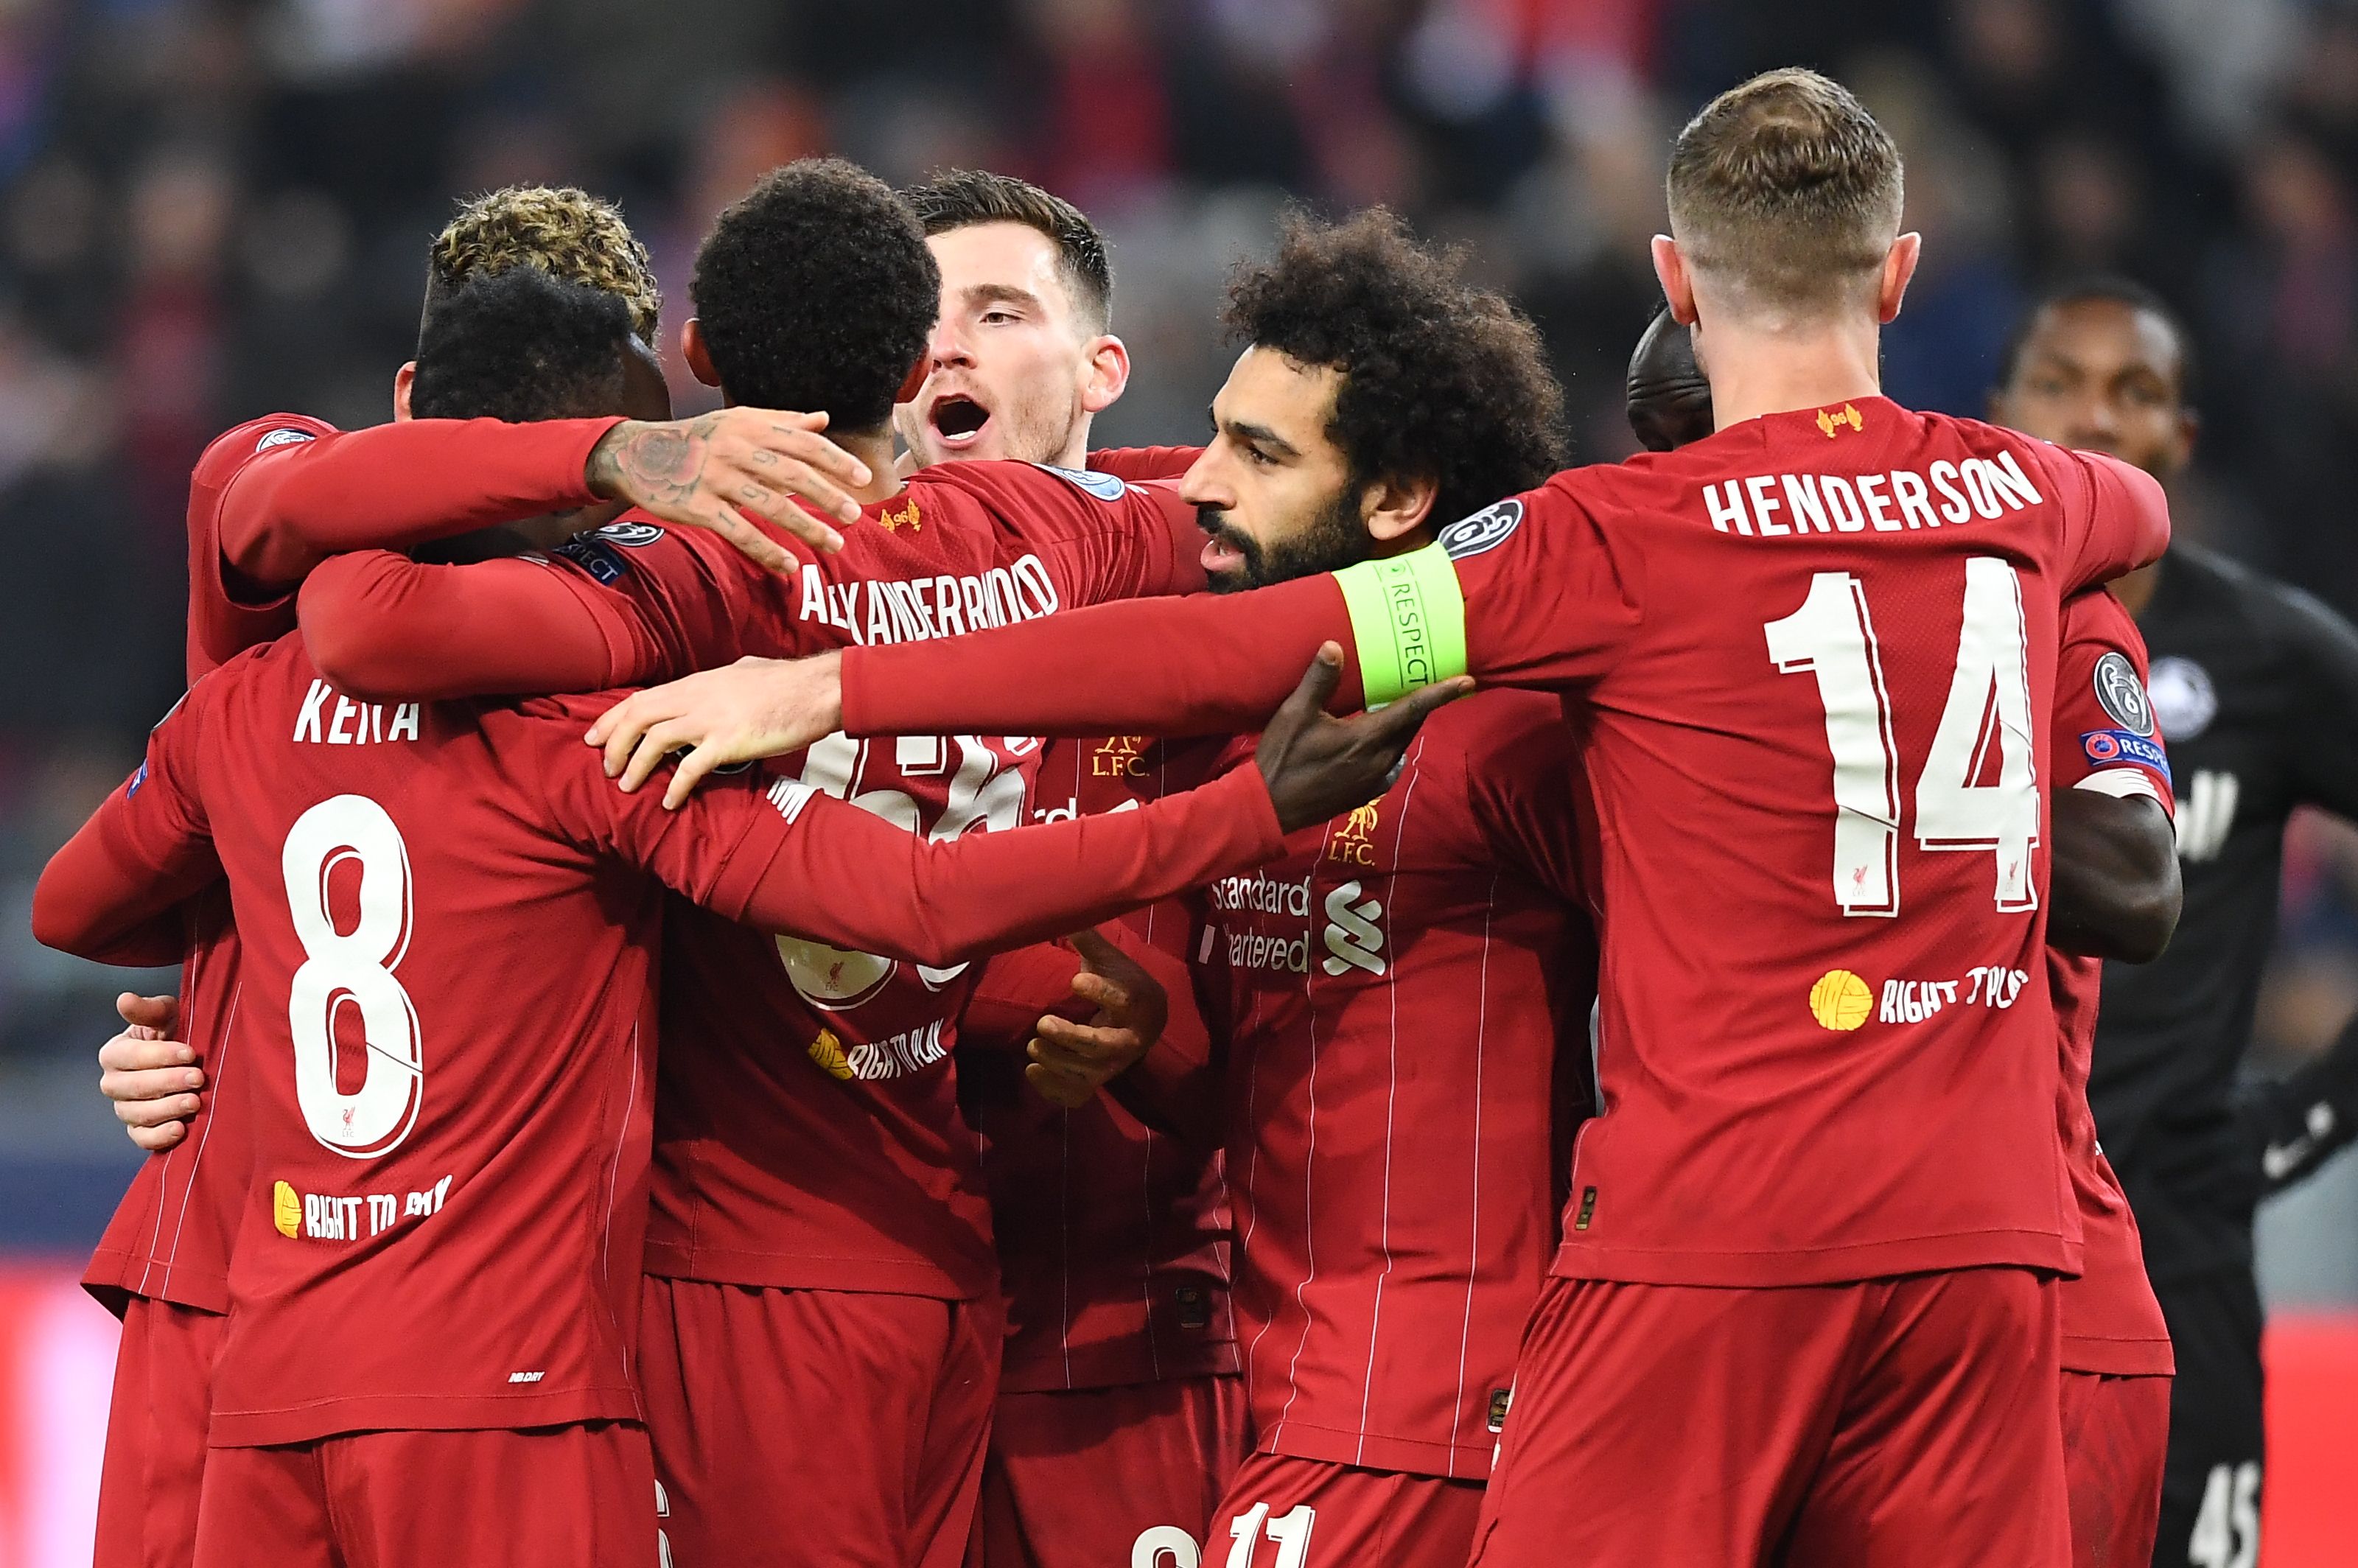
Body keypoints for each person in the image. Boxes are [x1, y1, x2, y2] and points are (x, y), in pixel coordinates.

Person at [589, 69, 2173, 1566]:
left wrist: (825, 691)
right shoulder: (2028, 498)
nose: (1203, 486)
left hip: (1703, 1240)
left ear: (1674, 281)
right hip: (1982, 1244)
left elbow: (1252, 642)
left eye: (1253, 452)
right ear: (1896, 276)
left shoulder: (1601, 549)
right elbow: (2135, 513)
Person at [281, 156, 1217, 1568]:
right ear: (911, 368)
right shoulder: (1042, 530)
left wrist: (595, 464)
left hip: (742, 1263)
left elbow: (364, 618)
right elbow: (1211, 512)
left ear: (698, 360)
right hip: (945, 1249)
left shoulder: (695, 569)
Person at [78, 182, 870, 1568]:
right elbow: (296, 520)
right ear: (405, 397)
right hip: (235, 1270)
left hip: (511, 1280)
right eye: (559, 446)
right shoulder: (290, 496)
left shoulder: (616, 604)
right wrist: (614, 454)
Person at [1638, 304, 2185, 1568]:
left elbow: (2139, 888)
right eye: (1666, 452)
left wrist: (1854, 769)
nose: (1705, 487)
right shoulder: (1636, 645)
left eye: (1716, 442)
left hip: (2029, 1292)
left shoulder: (2038, 607)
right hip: (1744, 1283)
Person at [898, 167, 1246, 1568]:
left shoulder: (1231, 597)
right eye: (919, 320)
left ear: (1104, 365)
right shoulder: (787, 603)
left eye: (998, 310)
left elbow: (1315, 1025)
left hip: (1125, 1340)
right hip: (866, 1341)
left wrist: (1162, 1036)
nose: (950, 347)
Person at [1990, 275, 2358, 1568]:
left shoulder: (2266, 652)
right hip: (1974, 1241)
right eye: (2059, 382)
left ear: (2181, 442)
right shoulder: (1932, 628)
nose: (2094, 414)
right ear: (2000, 411)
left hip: (2178, 1246)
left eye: (2134, 390)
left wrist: (2299, 1122)